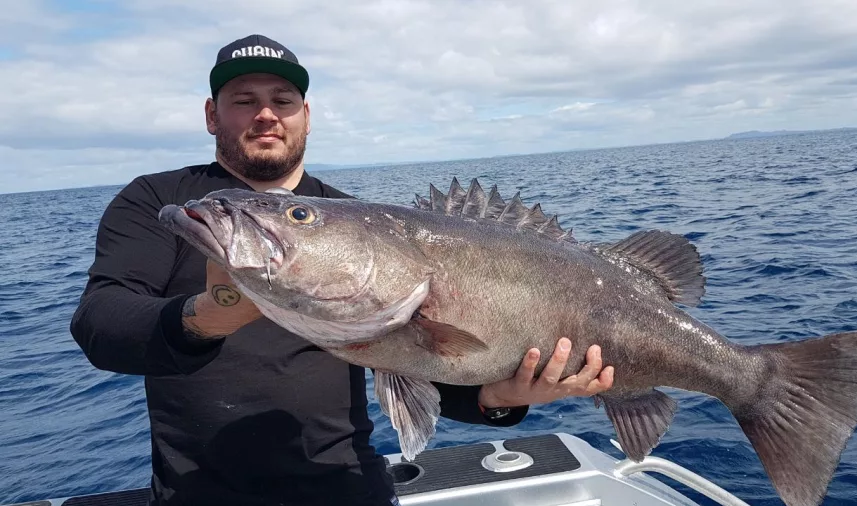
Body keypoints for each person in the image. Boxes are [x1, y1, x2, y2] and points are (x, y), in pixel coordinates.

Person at [70, 34, 615, 506]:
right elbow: (101, 324)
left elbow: (423, 366)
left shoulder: (361, 222)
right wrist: (209, 317)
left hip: (349, 488)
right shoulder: (167, 203)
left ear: (305, 116)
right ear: (212, 114)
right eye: (243, 100)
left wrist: (498, 400)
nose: (266, 114)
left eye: (283, 100)